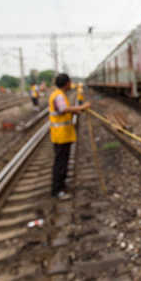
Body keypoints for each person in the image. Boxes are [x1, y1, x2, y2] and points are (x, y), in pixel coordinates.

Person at [49, 72, 91, 200]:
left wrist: (76, 111)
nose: (71, 84)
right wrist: (82, 107)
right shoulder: (59, 96)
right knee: (60, 163)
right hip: (61, 135)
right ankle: (58, 191)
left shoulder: (58, 95)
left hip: (61, 135)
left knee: (62, 162)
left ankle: (61, 186)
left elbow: (64, 111)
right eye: (70, 82)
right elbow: (63, 109)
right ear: (67, 83)